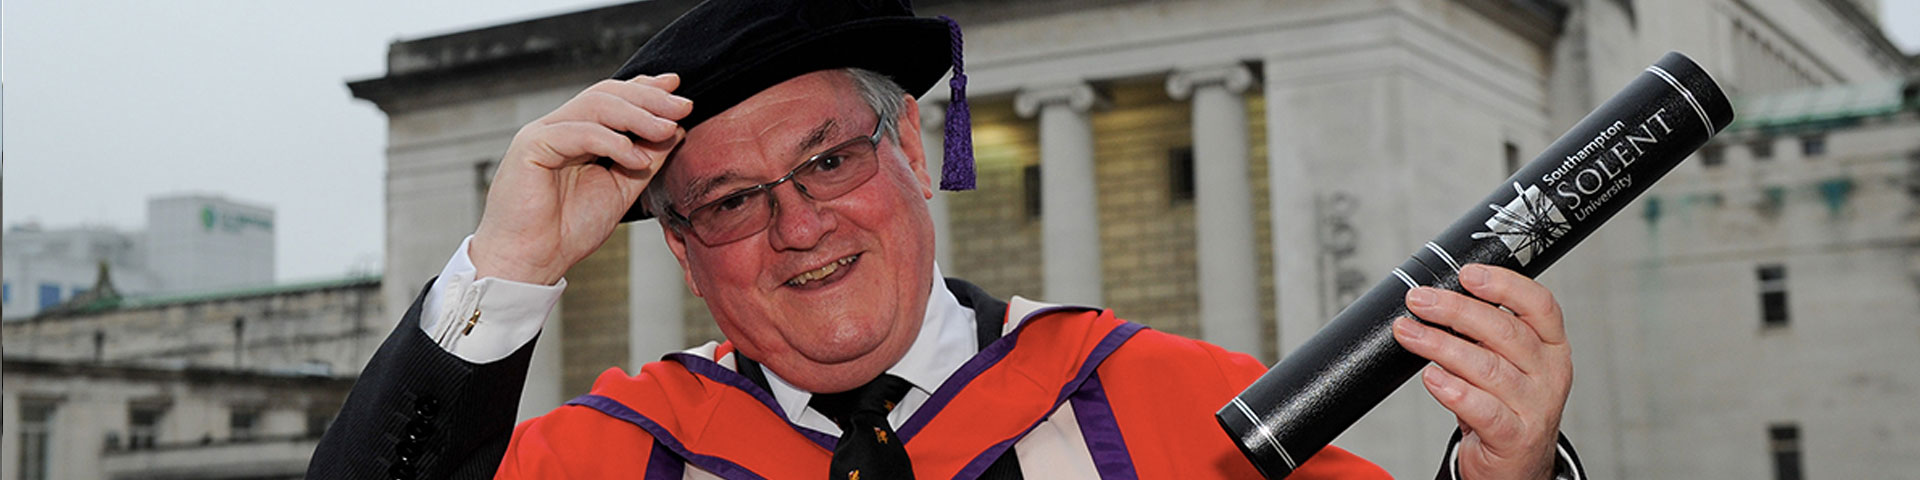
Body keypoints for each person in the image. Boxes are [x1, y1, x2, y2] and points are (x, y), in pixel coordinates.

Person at [309, 1, 1586, 478]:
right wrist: (511, 264)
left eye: (829, 159)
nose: (798, 225)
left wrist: (1508, 475)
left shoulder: (1172, 410)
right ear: (682, 251)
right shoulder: (611, 458)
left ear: (911, 153)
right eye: (730, 202)